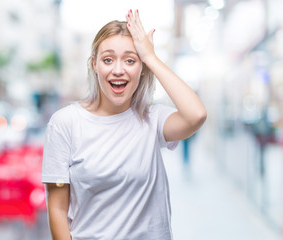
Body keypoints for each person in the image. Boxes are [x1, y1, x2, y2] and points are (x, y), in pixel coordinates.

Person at [41, 9, 207, 240]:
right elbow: (57, 209)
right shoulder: (65, 123)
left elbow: (196, 115)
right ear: (94, 64)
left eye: (131, 60)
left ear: (142, 68)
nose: (118, 70)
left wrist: (151, 57)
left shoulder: (153, 119)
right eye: (108, 59)